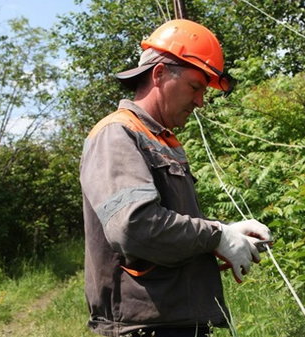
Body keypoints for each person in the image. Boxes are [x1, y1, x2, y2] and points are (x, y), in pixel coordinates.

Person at [79, 19, 272, 337]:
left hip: (176, 322)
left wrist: (225, 235)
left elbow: (168, 223)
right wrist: (216, 236)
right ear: (159, 74)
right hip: (145, 327)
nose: (200, 102)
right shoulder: (116, 134)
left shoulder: (163, 140)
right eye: (195, 87)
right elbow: (135, 226)